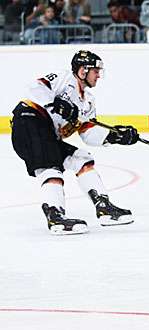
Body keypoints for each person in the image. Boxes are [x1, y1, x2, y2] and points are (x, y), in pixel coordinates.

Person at [10, 50, 139, 235]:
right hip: (28, 122)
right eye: (96, 71)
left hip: (46, 135)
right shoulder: (64, 78)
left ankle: (104, 207)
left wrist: (115, 136)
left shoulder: (88, 102)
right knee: (51, 166)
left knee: (81, 158)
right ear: (83, 70)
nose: (98, 76)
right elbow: (35, 87)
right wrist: (55, 103)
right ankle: (55, 217)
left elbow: (88, 134)